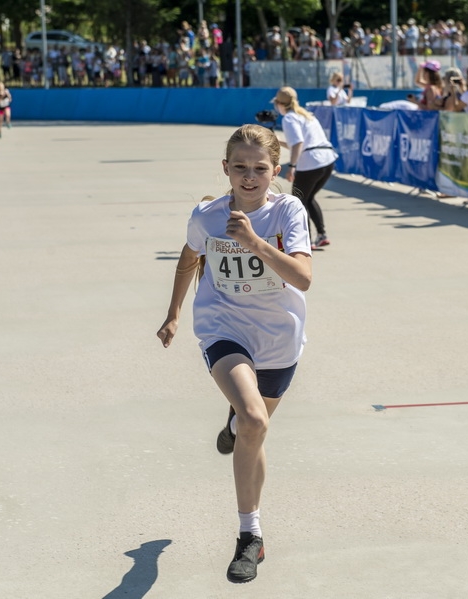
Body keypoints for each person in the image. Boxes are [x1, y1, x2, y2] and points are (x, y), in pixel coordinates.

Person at [156, 124, 312, 584]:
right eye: (239, 168)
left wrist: (256, 244)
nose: (249, 177)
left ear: (275, 170)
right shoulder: (207, 215)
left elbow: (303, 278)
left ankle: (233, 421)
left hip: (279, 338)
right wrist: (173, 313)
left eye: (259, 168)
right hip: (222, 326)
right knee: (255, 422)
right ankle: (251, 536)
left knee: (249, 428)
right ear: (225, 169)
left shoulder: (288, 211)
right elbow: (189, 256)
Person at [272, 86, 337, 249]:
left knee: (299, 201)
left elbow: (299, 143)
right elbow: (301, 144)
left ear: (280, 104)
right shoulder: (306, 115)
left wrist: (292, 166)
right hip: (327, 160)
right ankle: (321, 234)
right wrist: (279, 141)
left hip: (311, 162)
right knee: (308, 197)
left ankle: (305, 241)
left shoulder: (289, 118)